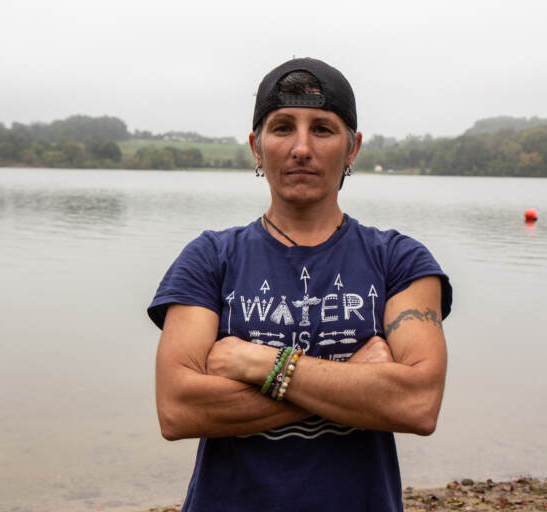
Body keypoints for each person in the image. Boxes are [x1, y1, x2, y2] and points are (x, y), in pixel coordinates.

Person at [148, 57, 452, 511]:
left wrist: (258, 362)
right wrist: (359, 381)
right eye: (283, 127)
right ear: (256, 146)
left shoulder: (399, 261)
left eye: (323, 129)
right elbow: (178, 409)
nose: (301, 148)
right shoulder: (210, 258)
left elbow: (417, 404)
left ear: (353, 148)